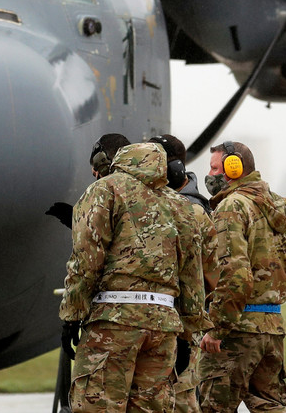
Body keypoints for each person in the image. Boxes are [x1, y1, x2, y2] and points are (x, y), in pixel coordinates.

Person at [59, 142, 208, 413]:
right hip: (163, 326)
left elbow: (87, 262)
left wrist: (72, 314)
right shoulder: (180, 205)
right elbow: (192, 275)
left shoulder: (105, 190)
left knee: (98, 405)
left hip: (114, 322)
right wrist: (189, 331)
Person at [199, 141, 286, 413]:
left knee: (212, 407)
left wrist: (218, 327)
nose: (210, 174)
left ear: (234, 168)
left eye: (215, 167)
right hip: (272, 324)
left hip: (237, 327)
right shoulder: (281, 206)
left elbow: (234, 275)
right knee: (270, 407)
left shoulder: (232, 207)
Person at [149, 135, 219, 413]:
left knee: (181, 400)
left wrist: (195, 330)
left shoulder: (191, 209)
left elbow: (207, 275)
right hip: (160, 325)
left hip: (180, 326)